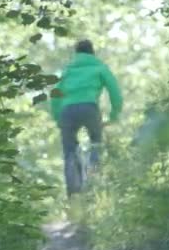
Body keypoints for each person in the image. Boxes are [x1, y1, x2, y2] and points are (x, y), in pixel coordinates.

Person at [50, 39, 123, 195]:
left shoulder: (67, 70)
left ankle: (74, 194)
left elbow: (55, 95)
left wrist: (57, 118)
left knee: (69, 151)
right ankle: (93, 185)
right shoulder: (99, 68)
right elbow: (115, 92)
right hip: (90, 108)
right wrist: (114, 115)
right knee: (96, 144)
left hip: (67, 111)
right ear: (92, 52)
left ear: (76, 53)